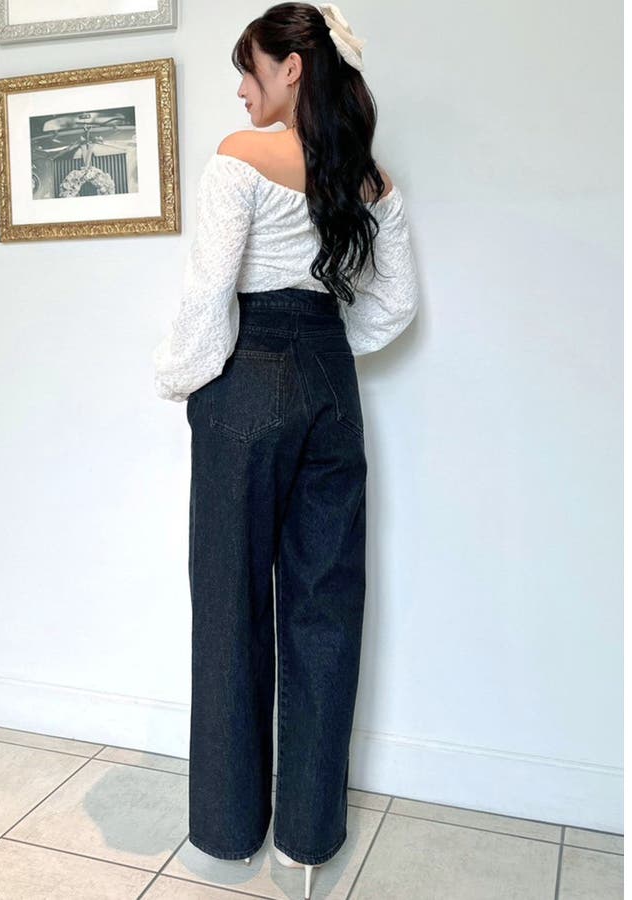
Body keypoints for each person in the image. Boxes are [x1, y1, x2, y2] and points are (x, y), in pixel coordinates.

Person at [152, 4, 420, 896]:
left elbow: (208, 295)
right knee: (326, 604)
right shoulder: (369, 177)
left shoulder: (240, 157)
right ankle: (307, 840)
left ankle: (230, 832)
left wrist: (184, 380)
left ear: (293, 68)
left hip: (248, 378)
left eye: (251, 68)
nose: (242, 88)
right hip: (332, 387)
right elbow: (394, 305)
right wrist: (327, 350)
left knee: (231, 602)